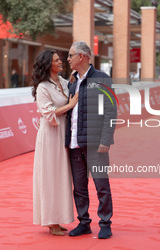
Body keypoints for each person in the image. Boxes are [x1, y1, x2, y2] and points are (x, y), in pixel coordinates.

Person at [66, 41, 116, 239]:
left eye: (71, 55)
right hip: (74, 144)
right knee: (79, 188)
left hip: (96, 144)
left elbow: (111, 111)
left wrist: (106, 139)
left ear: (83, 56)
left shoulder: (102, 79)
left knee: (101, 186)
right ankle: (84, 222)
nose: (67, 59)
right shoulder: (71, 81)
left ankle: (105, 223)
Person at [32, 49, 79, 236]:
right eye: (57, 60)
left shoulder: (64, 83)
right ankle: (50, 222)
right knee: (50, 176)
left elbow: (75, 91)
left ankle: (58, 219)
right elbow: (48, 112)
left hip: (63, 134)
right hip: (50, 135)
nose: (61, 62)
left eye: (60, 59)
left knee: (61, 177)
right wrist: (70, 105)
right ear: (48, 64)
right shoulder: (42, 87)